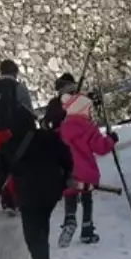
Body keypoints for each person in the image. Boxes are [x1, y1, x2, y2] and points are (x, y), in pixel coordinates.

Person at [0, 103, 73, 259]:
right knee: (42, 224)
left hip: (28, 194)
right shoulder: (50, 137)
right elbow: (67, 158)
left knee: (32, 232)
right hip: (51, 191)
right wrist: (65, 177)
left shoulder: (11, 144)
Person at [51, 74, 118, 245]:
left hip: (69, 171)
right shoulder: (89, 128)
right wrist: (112, 139)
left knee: (70, 194)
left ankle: (70, 219)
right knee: (87, 197)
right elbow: (101, 147)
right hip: (86, 172)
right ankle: (87, 229)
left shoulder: (63, 128)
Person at [0, 59, 34, 213]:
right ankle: (16, 199)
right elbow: (28, 111)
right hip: (14, 132)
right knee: (17, 163)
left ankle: (7, 199)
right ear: (15, 72)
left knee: (1, 163)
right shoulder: (19, 87)